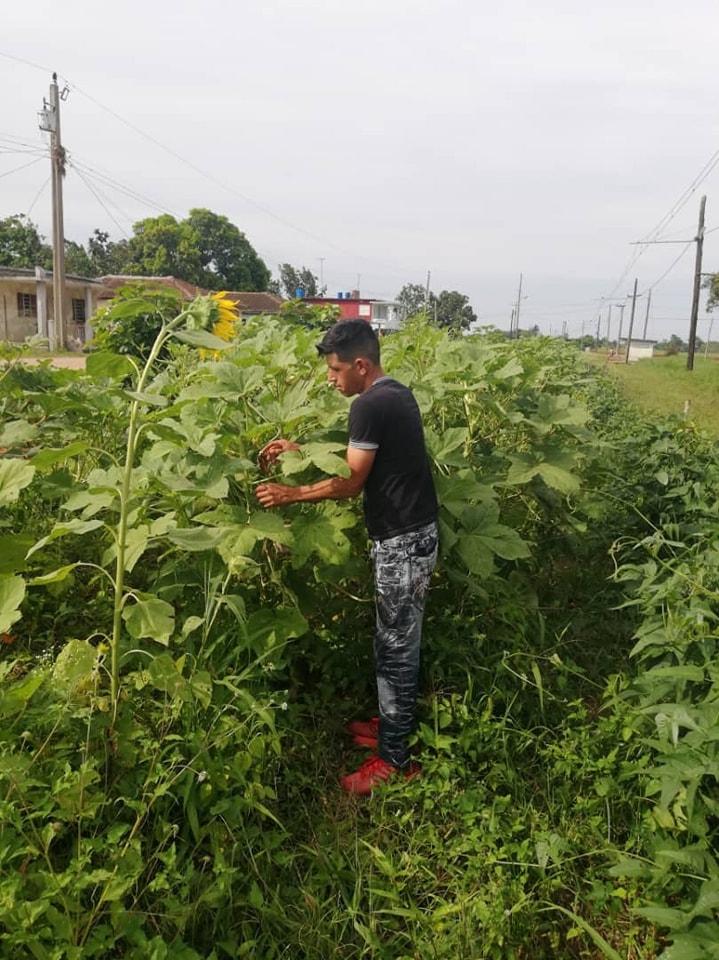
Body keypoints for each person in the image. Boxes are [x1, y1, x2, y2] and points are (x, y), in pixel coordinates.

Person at [256, 319, 439, 795]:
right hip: (411, 535)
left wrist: (289, 493)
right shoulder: (393, 393)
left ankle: (395, 761)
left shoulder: (366, 404)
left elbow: (351, 482)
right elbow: (363, 459)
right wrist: (301, 451)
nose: (330, 378)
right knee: (390, 642)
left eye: (336, 370)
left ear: (361, 365)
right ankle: (391, 727)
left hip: (402, 542)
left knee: (397, 650)